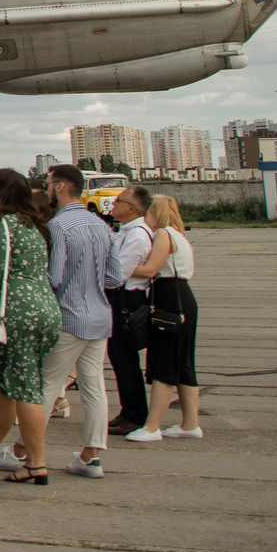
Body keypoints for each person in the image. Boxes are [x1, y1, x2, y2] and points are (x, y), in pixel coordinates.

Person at [0, 168, 63, 486]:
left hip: (17, 311)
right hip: (44, 307)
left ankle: (36, 462)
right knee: (8, 388)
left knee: (25, 388)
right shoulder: (35, 226)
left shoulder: (4, 226)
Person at [33, 163, 116, 478]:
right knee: (94, 385)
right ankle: (91, 455)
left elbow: (53, 277)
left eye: (48, 184)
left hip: (69, 316)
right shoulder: (100, 225)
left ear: (61, 186)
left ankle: (24, 450)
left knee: (48, 384)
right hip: (99, 315)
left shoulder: (59, 226)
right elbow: (115, 276)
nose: (46, 189)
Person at [124, 195, 202, 441]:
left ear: (154, 213)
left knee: (164, 363)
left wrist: (118, 266)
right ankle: (190, 424)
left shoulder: (163, 234)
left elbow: (150, 269)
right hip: (183, 297)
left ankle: (152, 427)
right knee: (183, 364)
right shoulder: (181, 237)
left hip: (169, 297)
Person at [104, 184, 156, 435]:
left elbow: (118, 274)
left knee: (125, 359)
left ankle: (135, 415)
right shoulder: (127, 231)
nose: (113, 205)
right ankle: (128, 411)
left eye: (118, 201)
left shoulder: (137, 235)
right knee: (119, 357)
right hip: (121, 299)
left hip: (128, 300)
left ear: (132, 208)